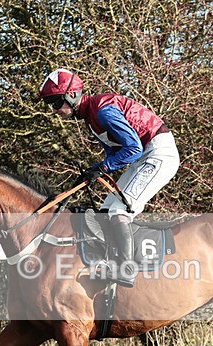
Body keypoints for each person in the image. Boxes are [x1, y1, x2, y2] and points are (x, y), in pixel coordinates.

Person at [38, 68, 180, 288]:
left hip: (158, 153)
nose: (55, 110)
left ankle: (126, 269)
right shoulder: (91, 117)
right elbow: (118, 152)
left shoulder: (103, 111)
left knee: (119, 210)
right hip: (145, 156)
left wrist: (103, 167)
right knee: (105, 210)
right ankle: (109, 260)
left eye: (56, 103)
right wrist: (95, 169)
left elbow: (133, 149)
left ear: (72, 95)